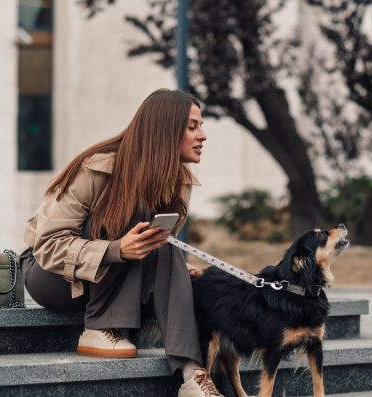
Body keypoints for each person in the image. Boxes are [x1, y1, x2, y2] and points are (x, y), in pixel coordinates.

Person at [19, 89, 222, 397]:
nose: (203, 135)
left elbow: (152, 245)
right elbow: (48, 245)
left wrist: (176, 268)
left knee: (159, 240)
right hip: (54, 278)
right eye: (192, 126)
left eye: (201, 125)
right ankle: (100, 329)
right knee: (135, 215)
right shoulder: (96, 167)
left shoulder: (176, 181)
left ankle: (192, 373)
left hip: (113, 279)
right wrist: (117, 249)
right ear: (165, 130)